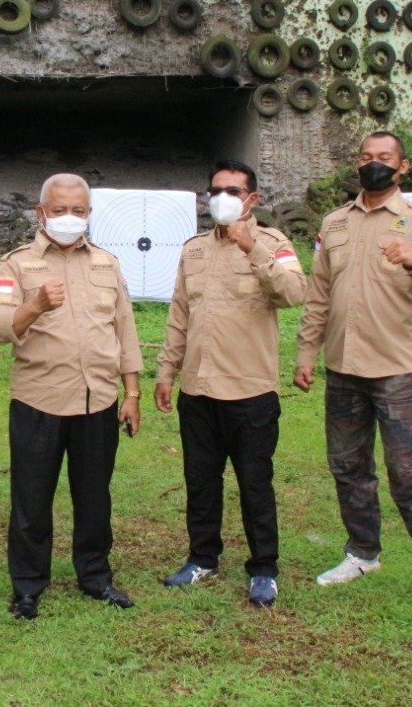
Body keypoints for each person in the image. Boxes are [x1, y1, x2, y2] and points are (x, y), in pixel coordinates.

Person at [293, 131, 412, 604]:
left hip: (394, 370)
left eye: (384, 158)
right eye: (366, 157)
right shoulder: (334, 223)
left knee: (407, 472)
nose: (374, 164)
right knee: (348, 468)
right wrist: (307, 353)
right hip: (343, 368)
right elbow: (318, 295)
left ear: (402, 167)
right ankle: (363, 552)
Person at [0, 173, 143, 620]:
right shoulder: (16, 264)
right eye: (58, 210)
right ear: (41, 213)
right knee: (32, 502)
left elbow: (125, 330)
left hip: (98, 402)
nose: (68, 218)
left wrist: (131, 393)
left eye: (78, 210)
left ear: (88, 214)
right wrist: (33, 305)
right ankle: (29, 585)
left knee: (94, 498)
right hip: (39, 402)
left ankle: (95, 577)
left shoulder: (107, 264)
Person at [154, 161, 307, 607]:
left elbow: (294, 293)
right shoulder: (194, 250)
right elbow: (179, 315)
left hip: (250, 391)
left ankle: (264, 568)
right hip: (198, 391)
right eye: (216, 189)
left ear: (252, 199)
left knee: (255, 482)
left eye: (234, 190)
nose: (223, 197)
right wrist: (167, 371)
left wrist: (251, 249)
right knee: (200, 480)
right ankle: (202, 558)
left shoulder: (273, 243)